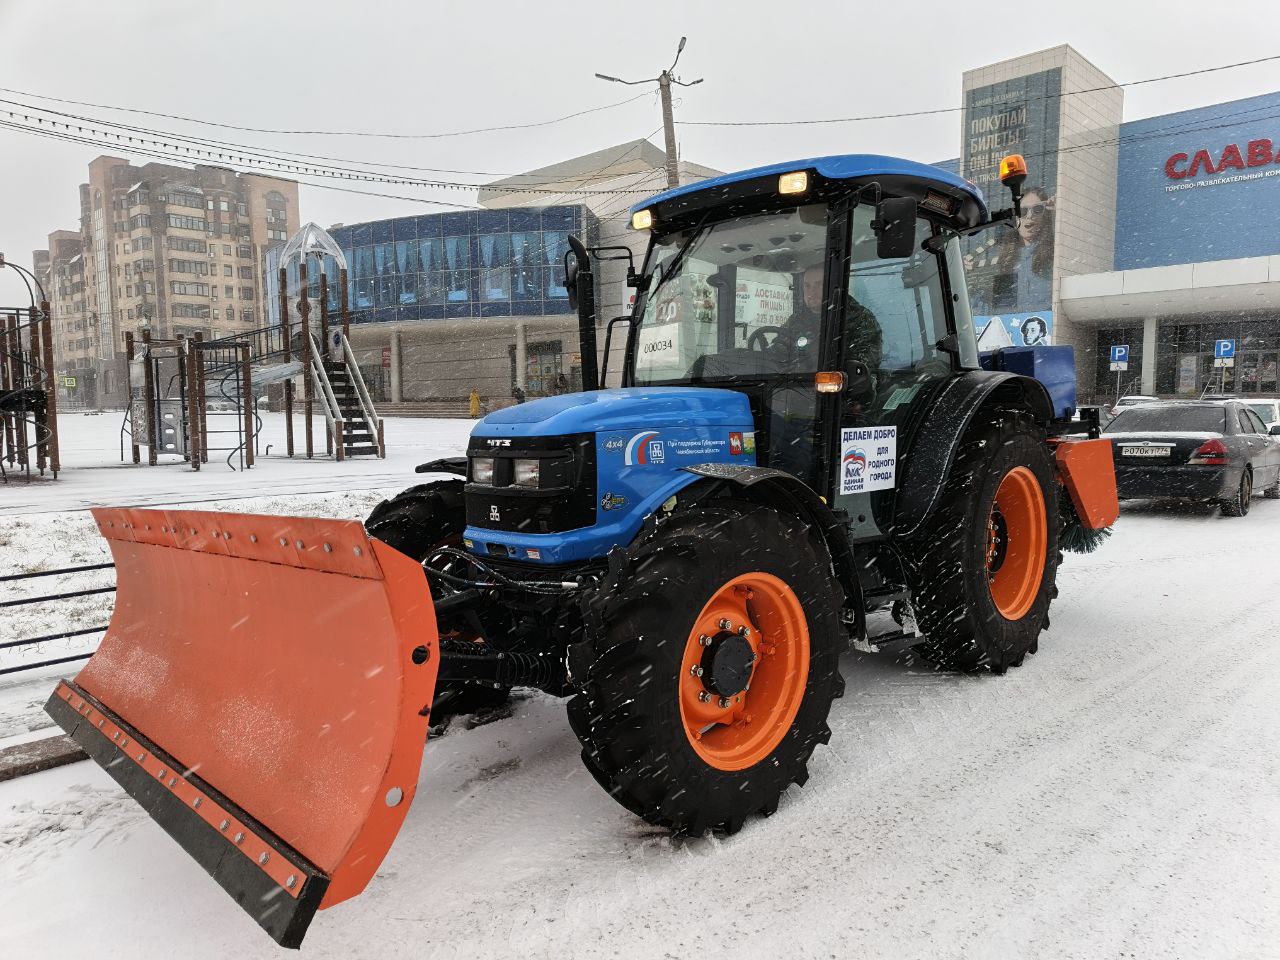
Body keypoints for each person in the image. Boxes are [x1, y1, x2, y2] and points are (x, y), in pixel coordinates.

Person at [990, 186, 1055, 312]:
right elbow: (998, 303)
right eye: (1023, 211)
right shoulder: (1005, 258)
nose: (1030, 216)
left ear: (1045, 216)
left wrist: (1062, 207)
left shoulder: (1053, 253)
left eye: (1037, 209)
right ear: (1015, 217)